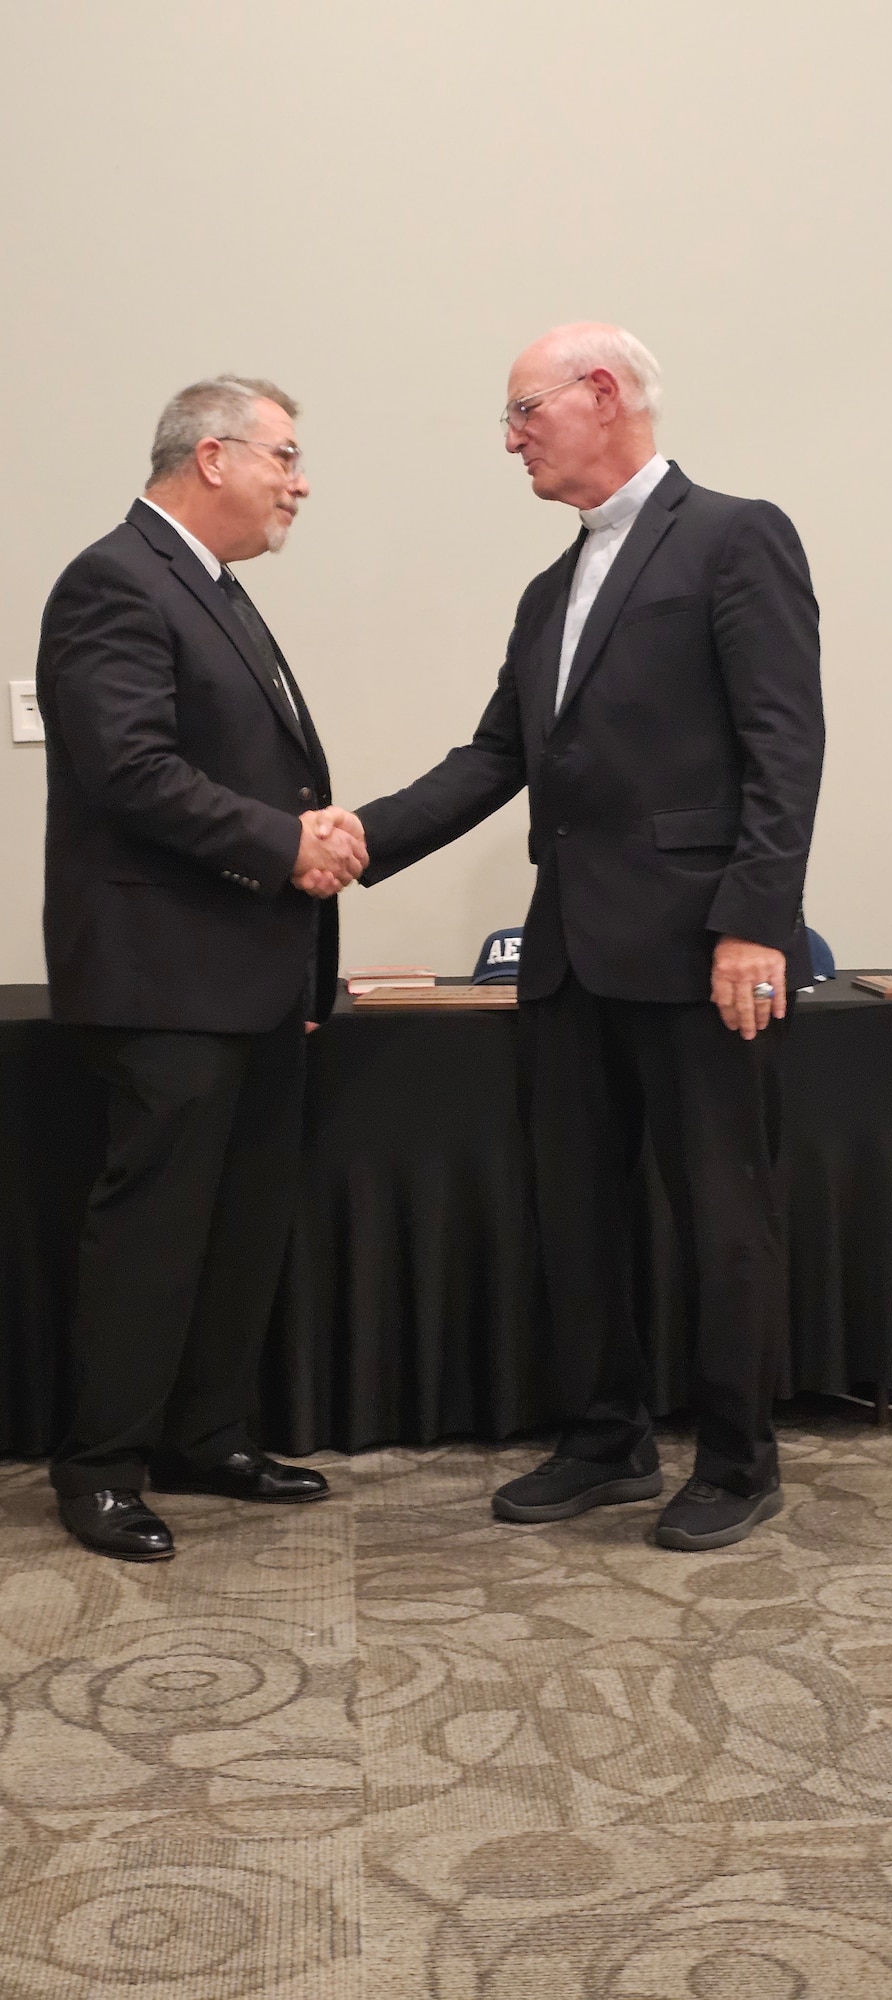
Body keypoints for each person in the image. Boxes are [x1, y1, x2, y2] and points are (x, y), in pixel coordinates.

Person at [346, 323, 824, 1551]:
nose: (509, 440)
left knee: (723, 1214)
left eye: (521, 413)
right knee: (576, 1210)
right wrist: (353, 841)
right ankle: (604, 1439)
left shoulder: (733, 535)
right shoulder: (548, 588)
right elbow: (497, 757)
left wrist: (752, 925)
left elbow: (784, 744)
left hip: (698, 955)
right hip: (568, 958)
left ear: (600, 393)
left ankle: (736, 1457)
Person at [37, 375, 367, 1561]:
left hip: (253, 979)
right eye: (285, 455)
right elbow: (130, 769)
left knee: (240, 1223)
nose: (300, 480)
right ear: (213, 456)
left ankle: (205, 1435)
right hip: (163, 978)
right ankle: (103, 1467)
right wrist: (289, 842)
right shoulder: (115, 578)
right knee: (156, 1229)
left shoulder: (212, 590)